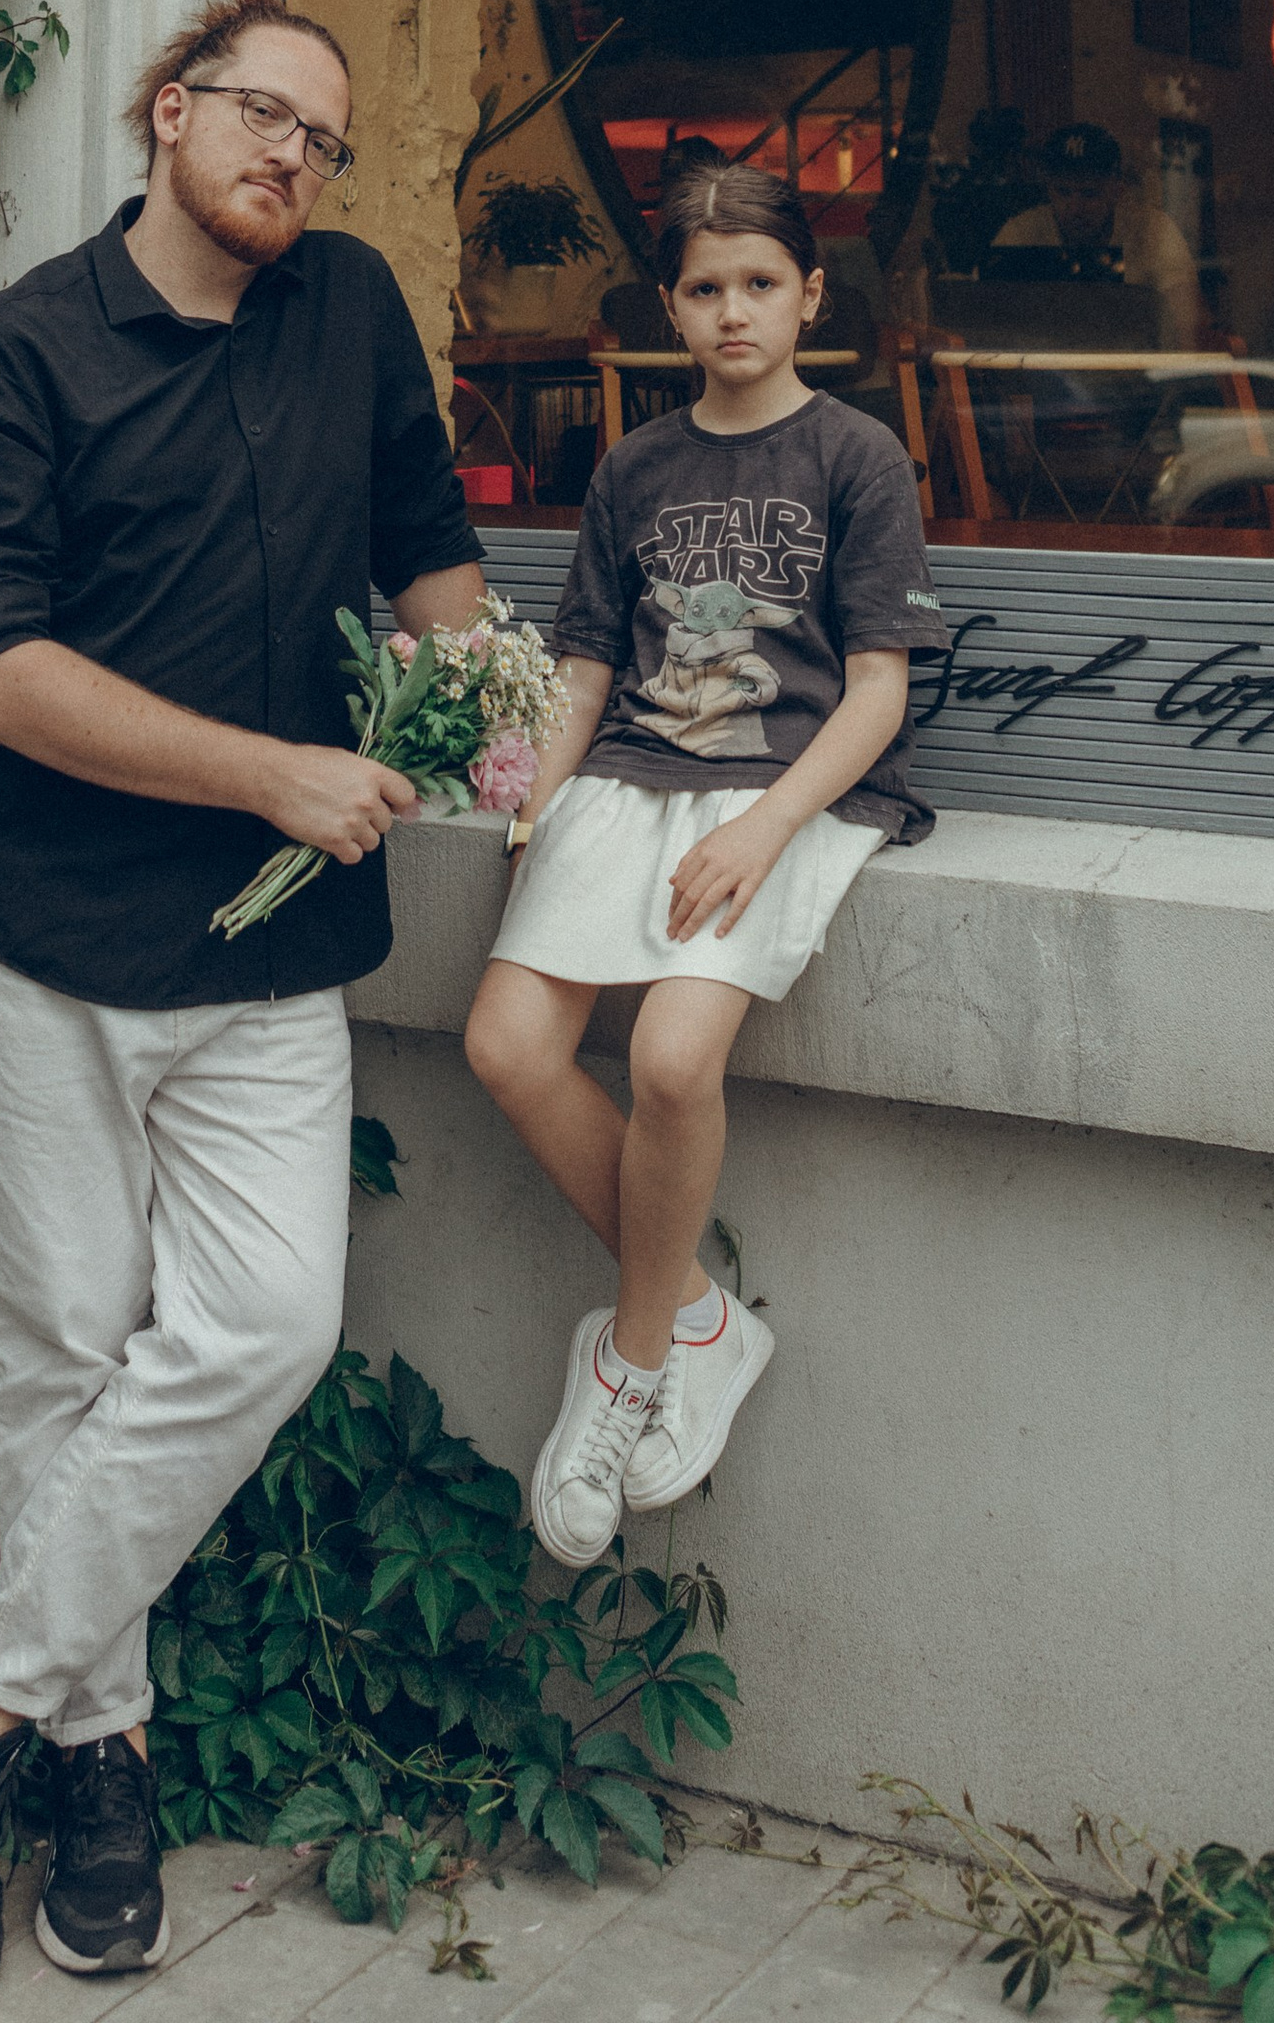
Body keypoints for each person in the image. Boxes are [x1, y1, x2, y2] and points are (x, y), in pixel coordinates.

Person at [0, 0, 485, 1990]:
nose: (290, 157)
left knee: (260, 1328)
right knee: (54, 1346)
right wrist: (271, 771)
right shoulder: (14, 356)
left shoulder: (351, 312)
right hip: (35, 934)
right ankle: (101, 1761)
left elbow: (428, 548)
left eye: (321, 138)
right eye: (259, 115)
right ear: (162, 110)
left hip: (266, 957)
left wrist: (483, 690)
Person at [463, 162, 943, 1562]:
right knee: (505, 1042)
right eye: (706, 289)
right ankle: (699, 1322)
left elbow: (875, 692)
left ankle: (624, 1363)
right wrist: (531, 809)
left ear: (809, 296)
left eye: (760, 284)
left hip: (781, 789)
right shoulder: (637, 466)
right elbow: (589, 662)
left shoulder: (857, 455)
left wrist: (766, 825)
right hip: (631, 780)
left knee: (674, 1060)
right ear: (673, 308)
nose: (734, 311)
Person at [989, 119, 1205, 346]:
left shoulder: (1152, 230)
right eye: (1063, 191)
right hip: (1044, 373)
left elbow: (1189, 319)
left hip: (1135, 374)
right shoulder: (1021, 232)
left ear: (1116, 190)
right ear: (1048, 188)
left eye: (1089, 193)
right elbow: (984, 311)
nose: (1074, 207)